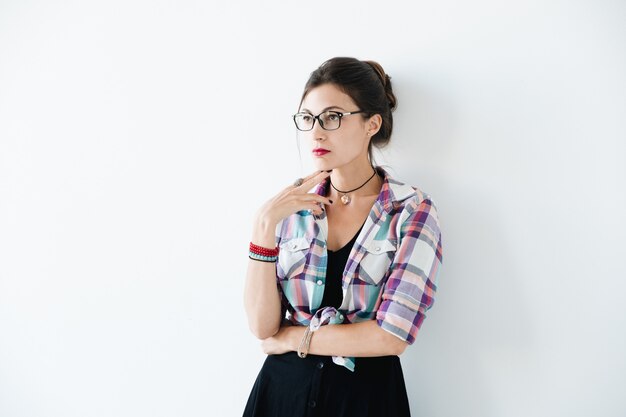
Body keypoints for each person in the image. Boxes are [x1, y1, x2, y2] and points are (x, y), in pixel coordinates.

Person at [242, 57, 443, 417]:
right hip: (281, 397)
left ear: (372, 123)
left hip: (366, 401)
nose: (316, 132)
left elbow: (391, 336)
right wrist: (263, 224)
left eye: (332, 117)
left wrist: (295, 338)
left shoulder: (410, 211)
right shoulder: (290, 208)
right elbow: (262, 326)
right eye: (307, 119)